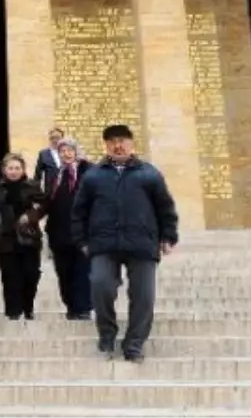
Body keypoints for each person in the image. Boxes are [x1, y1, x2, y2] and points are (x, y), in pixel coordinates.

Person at [71, 124, 179, 363]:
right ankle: (107, 334)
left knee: (143, 296)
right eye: (112, 141)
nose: (118, 145)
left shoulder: (149, 173)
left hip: (141, 244)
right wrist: (82, 241)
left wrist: (168, 236)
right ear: (106, 146)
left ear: (131, 144)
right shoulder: (93, 176)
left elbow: (165, 207)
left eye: (122, 141)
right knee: (101, 286)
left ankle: (134, 343)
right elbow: (79, 212)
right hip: (104, 244)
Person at [44, 137, 93, 320]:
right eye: (62, 151)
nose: (66, 154)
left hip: (82, 233)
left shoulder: (88, 171)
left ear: (76, 151)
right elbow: (48, 202)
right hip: (59, 233)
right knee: (64, 273)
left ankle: (83, 308)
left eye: (69, 150)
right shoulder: (57, 175)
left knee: (82, 271)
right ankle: (72, 306)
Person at [0, 154, 47, 320]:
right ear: (4, 170)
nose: (14, 172)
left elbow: (43, 206)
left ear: (23, 169)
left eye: (17, 168)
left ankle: (28, 307)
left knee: (31, 274)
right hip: (6, 238)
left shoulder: (33, 186)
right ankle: (13, 311)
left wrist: (30, 216)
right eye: (10, 168)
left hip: (28, 237)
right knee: (10, 276)